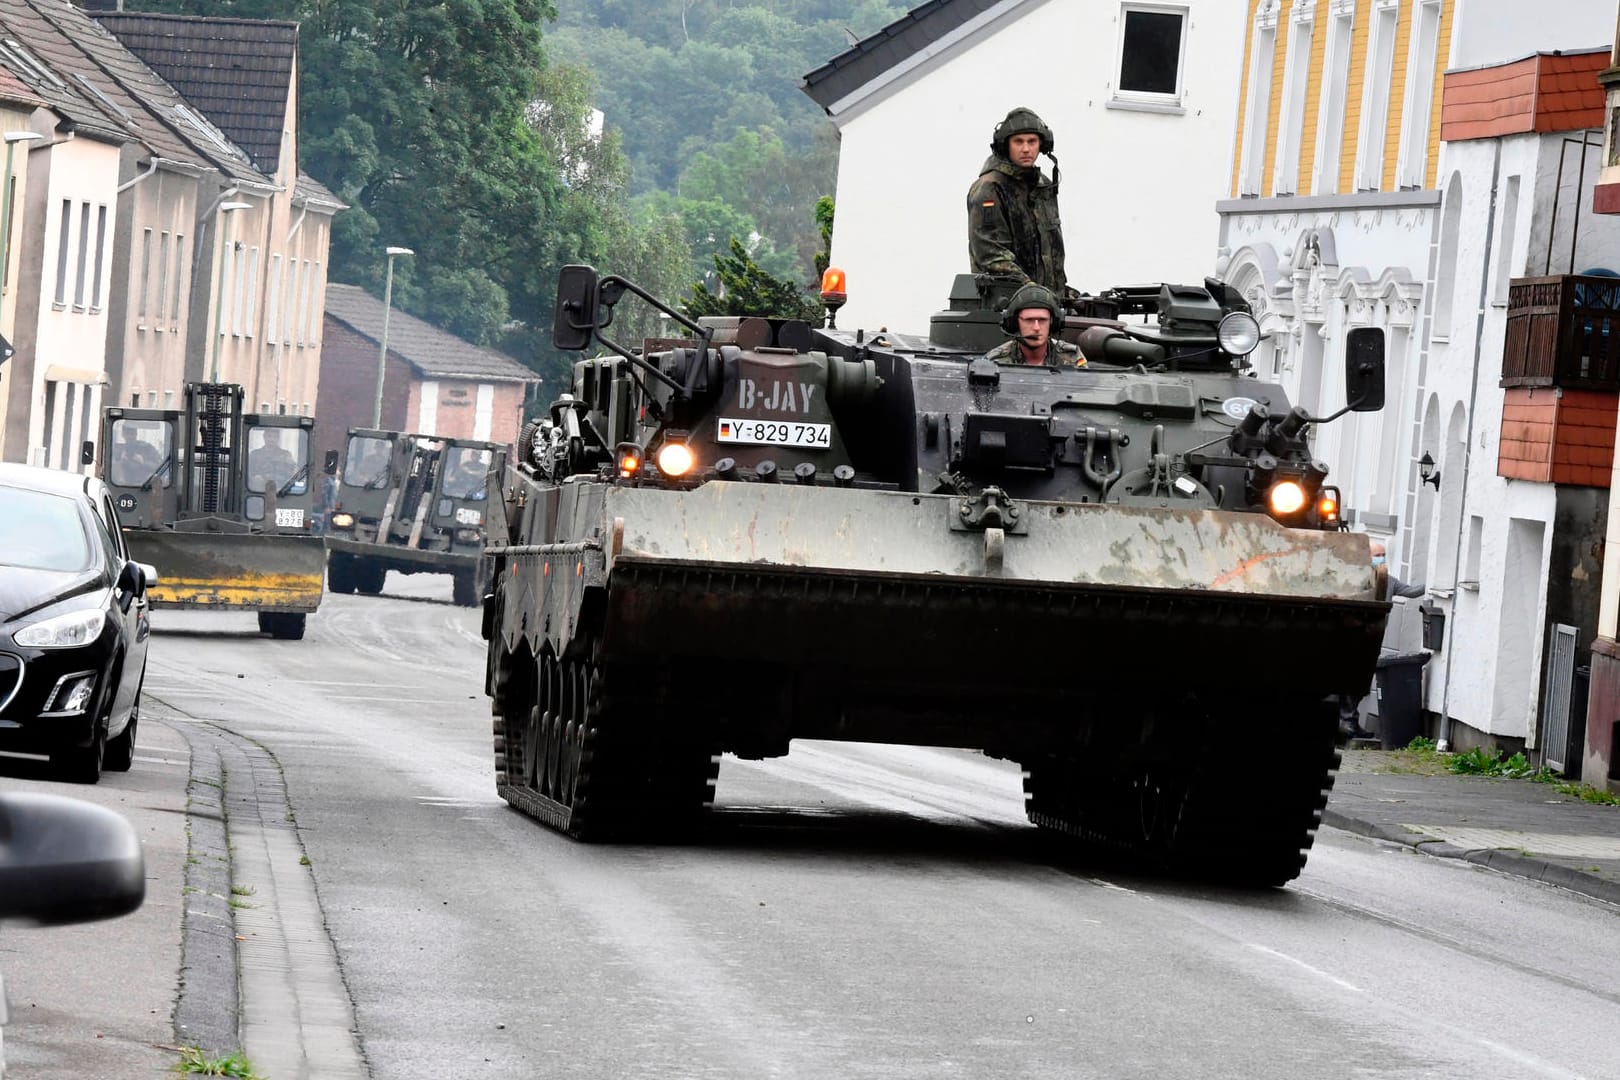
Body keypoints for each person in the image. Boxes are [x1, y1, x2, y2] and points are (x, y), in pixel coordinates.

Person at [967, 106, 1067, 297]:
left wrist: (1061, 294)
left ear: (1043, 145)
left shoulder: (1042, 186)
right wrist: (1035, 294)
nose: (1026, 149)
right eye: (1018, 142)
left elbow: (1050, 253)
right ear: (1005, 145)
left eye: (1032, 141)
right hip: (1005, 305)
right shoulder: (990, 188)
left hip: (1044, 305)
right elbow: (992, 255)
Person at [1343, 540, 1426, 740]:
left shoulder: (1388, 581)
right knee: (1349, 680)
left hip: (1373, 639)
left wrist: (1434, 581)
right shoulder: (1354, 578)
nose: (1380, 559)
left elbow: (1411, 592)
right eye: (1376, 555)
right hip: (1353, 638)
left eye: (1382, 554)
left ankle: (1351, 720)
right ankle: (1347, 721)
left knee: (1361, 682)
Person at [985, 283, 1084, 367]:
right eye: (1029, 320)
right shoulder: (994, 361)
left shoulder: (1072, 357)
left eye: (1042, 320)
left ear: (1053, 323)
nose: (1036, 328)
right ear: (1014, 323)